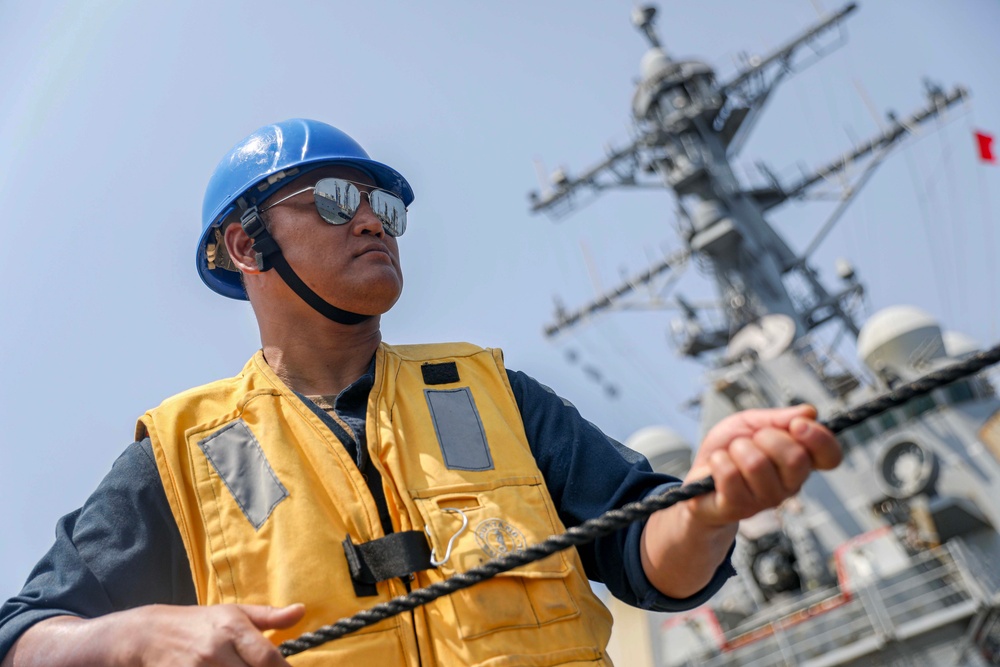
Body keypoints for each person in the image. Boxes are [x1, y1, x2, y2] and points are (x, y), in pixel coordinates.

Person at [0, 119, 841, 666]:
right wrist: (133, 635)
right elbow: (23, 636)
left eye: (382, 205)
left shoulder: (496, 397)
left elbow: (650, 561)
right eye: (334, 200)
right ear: (243, 243)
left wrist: (708, 506)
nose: (371, 219)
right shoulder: (183, 452)